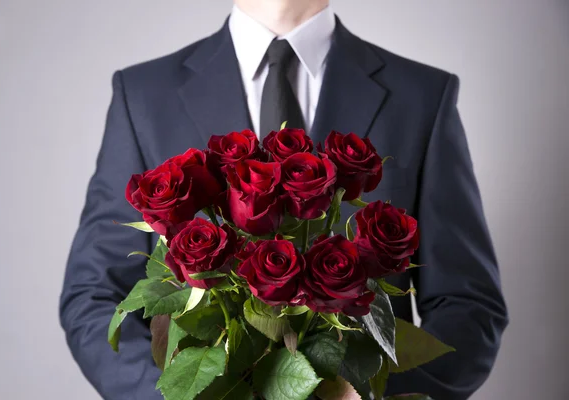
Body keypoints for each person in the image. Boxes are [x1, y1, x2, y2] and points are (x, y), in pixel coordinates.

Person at [59, 1, 508, 399]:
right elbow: (94, 295)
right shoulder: (144, 96)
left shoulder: (421, 97)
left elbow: (469, 306)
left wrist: (373, 396)